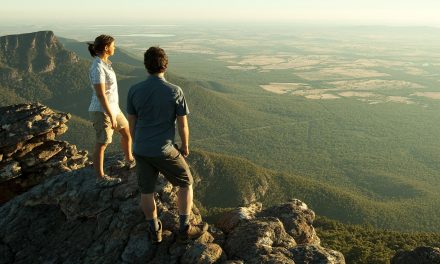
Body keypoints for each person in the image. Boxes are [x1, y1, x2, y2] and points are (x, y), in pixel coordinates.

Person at [127, 47, 207, 244]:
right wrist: (185, 146)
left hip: (141, 148)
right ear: (165, 65)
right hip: (164, 149)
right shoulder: (174, 91)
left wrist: (135, 146)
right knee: (186, 182)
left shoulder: (134, 90)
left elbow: (132, 124)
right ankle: (185, 227)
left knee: (147, 191)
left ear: (146, 66)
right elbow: (182, 124)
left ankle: (154, 230)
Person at [87, 35, 136, 187]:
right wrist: (110, 115)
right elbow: (101, 94)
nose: (115, 47)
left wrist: (114, 113)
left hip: (114, 108)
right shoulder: (97, 67)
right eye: (113, 45)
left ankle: (129, 160)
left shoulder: (105, 64)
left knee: (127, 131)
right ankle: (100, 177)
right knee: (102, 143)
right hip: (102, 110)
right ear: (107, 48)